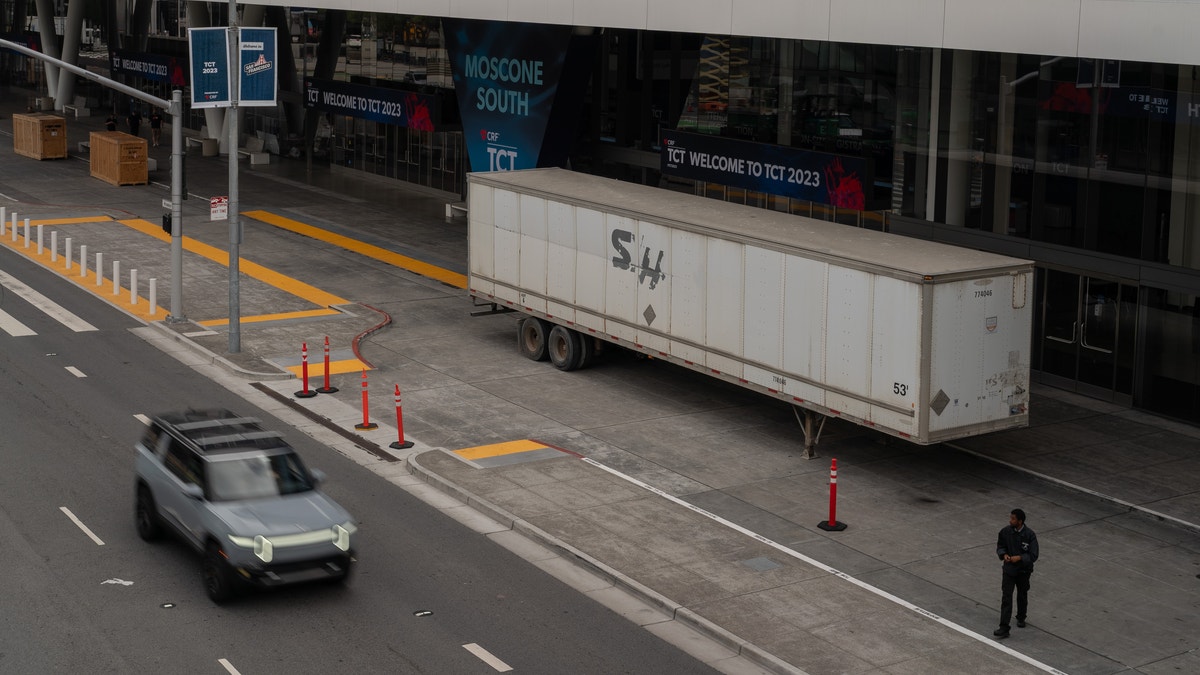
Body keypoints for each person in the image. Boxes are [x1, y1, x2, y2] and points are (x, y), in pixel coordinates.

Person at [994, 508, 1039, 638]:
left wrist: (1020, 558)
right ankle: (1004, 627)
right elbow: (1000, 546)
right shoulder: (1005, 532)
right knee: (1006, 597)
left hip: (1023, 571)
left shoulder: (1030, 535)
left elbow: (1034, 555)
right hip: (1009, 570)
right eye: (1010, 518)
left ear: (1020, 521)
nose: (1010, 520)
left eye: (1013, 518)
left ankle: (1021, 616)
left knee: (1022, 594)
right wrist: (1004, 555)